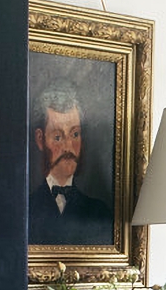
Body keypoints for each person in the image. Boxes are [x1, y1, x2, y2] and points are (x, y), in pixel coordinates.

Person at [29, 80, 113, 246]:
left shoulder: (99, 211)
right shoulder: (24, 209)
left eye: (75, 134)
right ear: (40, 140)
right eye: (58, 137)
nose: (68, 147)